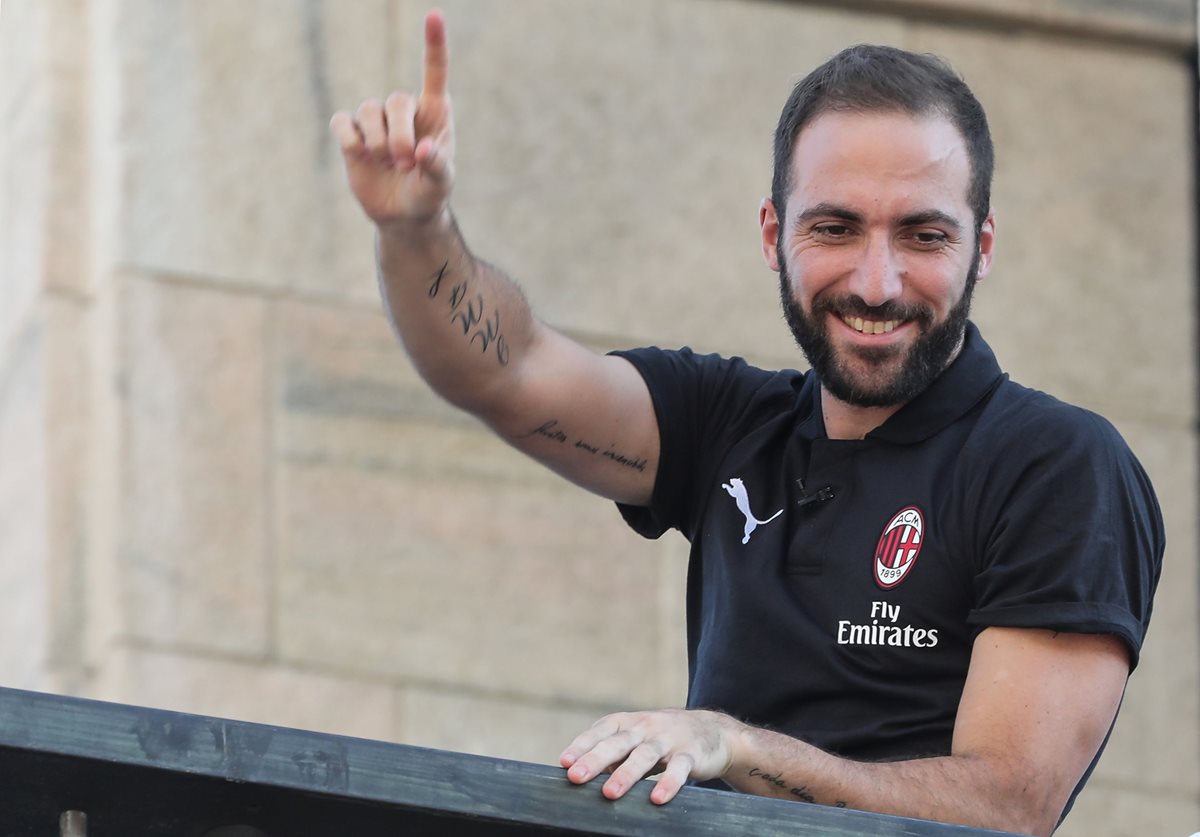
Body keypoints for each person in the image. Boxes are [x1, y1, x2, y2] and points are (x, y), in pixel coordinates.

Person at [329, 10, 1163, 836]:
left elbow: (1007, 807)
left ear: (982, 247)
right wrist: (415, 229)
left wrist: (732, 747)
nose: (877, 282)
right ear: (774, 235)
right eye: (834, 228)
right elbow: (505, 370)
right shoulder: (729, 423)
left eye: (923, 234)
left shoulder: (1057, 463)